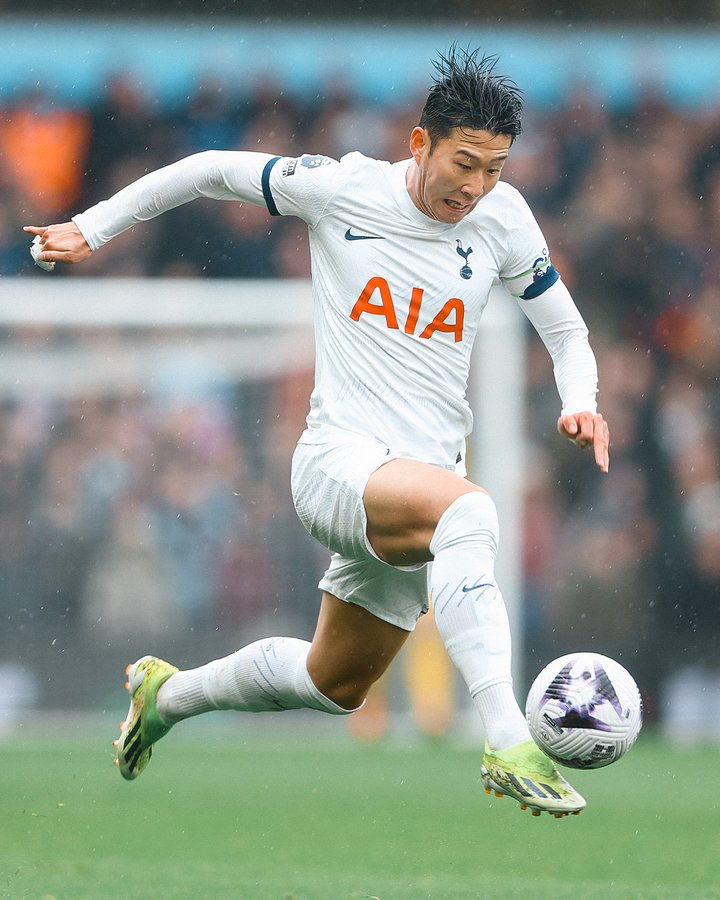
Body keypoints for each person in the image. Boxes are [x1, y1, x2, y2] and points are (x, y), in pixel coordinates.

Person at [24, 48, 608, 818]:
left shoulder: (503, 219)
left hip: (416, 490)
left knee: (333, 684)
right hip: (340, 463)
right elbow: (204, 168)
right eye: (464, 162)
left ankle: (167, 696)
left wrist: (583, 399)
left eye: (494, 168)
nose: (476, 186)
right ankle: (507, 741)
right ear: (419, 143)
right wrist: (92, 230)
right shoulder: (338, 189)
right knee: (473, 510)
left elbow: (564, 331)